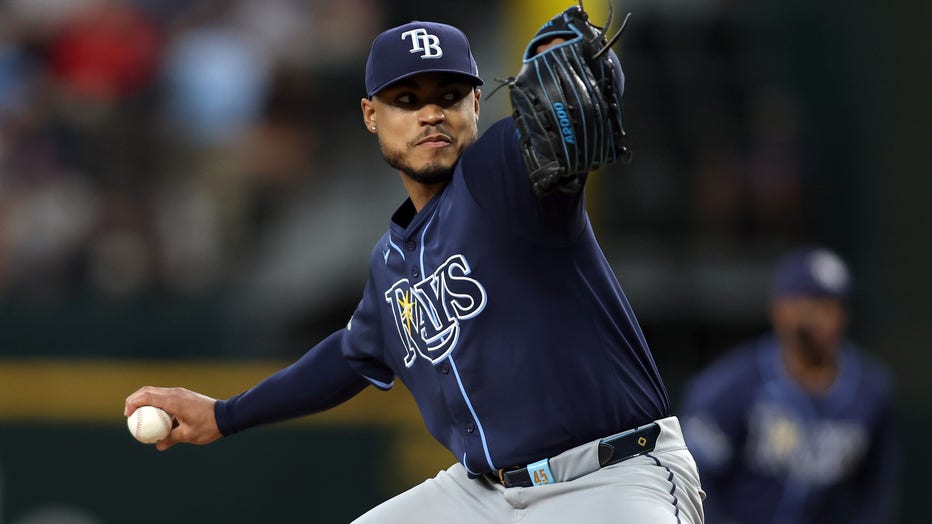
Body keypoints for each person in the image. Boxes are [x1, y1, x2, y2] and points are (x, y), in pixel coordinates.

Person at [125, 10, 705, 524]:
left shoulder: (503, 172)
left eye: (449, 96)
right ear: (370, 114)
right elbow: (349, 356)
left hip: (610, 477)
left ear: (477, 105)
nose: (431, 113)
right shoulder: (390, 262)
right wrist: (224, 415)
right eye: (407, 100)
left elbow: (580, 104)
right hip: (485, 496)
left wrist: (597, 78)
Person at [680, 247, 897, 524]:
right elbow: (694, 481)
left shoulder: (871, 390)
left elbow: (876, 494)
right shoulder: (728, 386)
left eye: (834, 307)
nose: (824, 319)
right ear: (781, 311)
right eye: (812, 305)